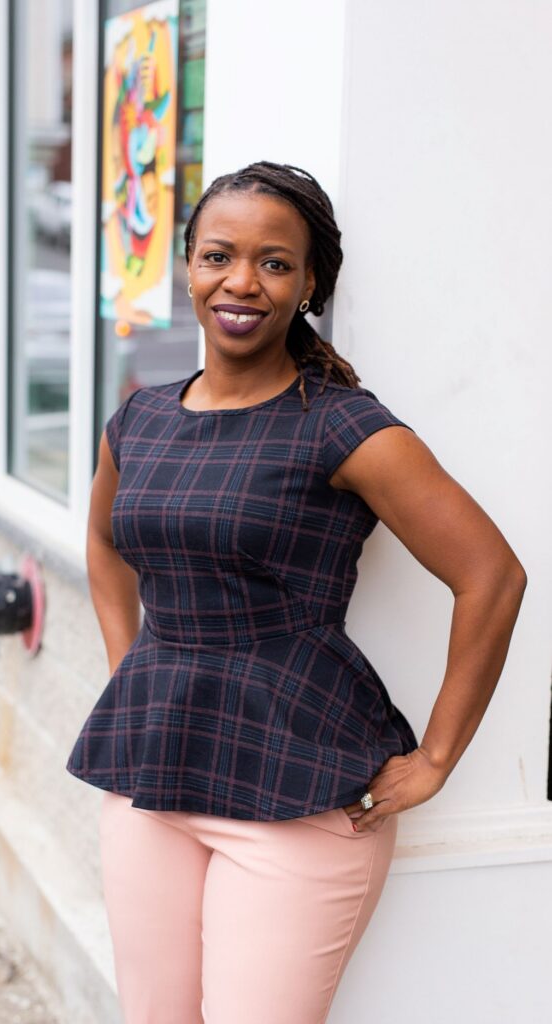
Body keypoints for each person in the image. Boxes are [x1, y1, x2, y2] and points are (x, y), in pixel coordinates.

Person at [66, 161, 527, 1023]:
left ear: (309, 282)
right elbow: (101, 541)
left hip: (297, 789)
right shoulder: (141, 417)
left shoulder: (343, 425)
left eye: (274, 263)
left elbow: (491, 577)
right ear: (189, 267)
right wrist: (131, 667)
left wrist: (435, 758)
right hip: (149, 777)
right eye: (218, 256)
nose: (241, 282)